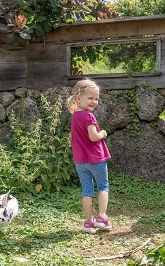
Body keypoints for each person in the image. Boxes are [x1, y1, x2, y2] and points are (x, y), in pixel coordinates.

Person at [67, 78, 111, 234]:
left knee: (86, 191)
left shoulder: (75, 116)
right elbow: (93, 137)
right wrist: (102, 133)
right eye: (90, 98)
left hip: (81, 161)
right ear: (78, 98)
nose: (94, 101)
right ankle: (102, 218)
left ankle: (88, 223)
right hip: (96, 159)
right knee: (103, 187)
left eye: (96, 98)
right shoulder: (88, 116)